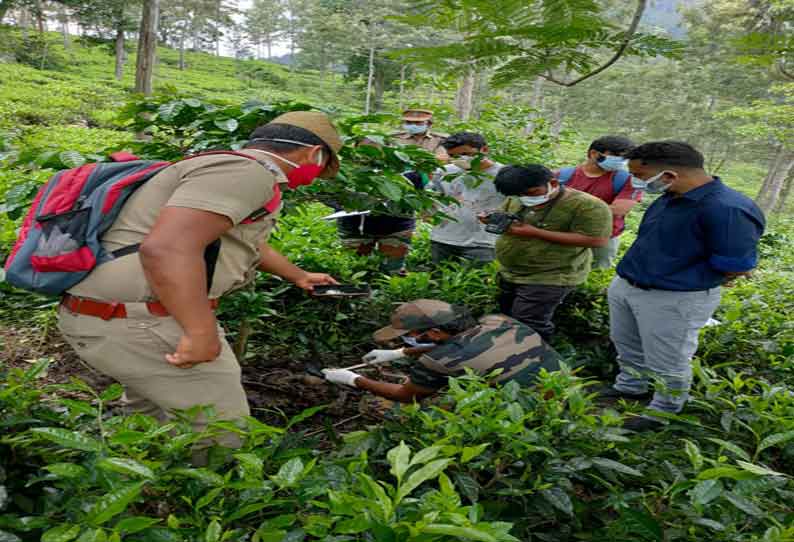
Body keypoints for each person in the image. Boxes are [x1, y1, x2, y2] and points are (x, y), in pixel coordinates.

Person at [57, 112, 343, 450]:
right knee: (221, 432)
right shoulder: (245, 173)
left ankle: (145, 490)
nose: (317, 176)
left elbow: (238, 239)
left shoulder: (222, 167)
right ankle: (202, 501)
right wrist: (199, 331)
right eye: (323, 167)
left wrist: (297, 275)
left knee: (148, 420)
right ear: (313, 154)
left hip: (109, 314)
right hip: (143, 320)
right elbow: (167, 248)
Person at [603, 141, 765, 432]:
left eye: (640, 176)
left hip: (675, 297)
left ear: (669, 174)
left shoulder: (728, 209)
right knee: (627, 344)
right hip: (629, 283)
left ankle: (662, 413)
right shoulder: (671, 195)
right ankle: (630, 387)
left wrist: (686, 284)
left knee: (669, 359)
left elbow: (736, 264)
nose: (637, 182)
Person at [321, 299, 560, 402]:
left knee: (379, 406)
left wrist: (354, 379)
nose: (408, 339)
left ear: (434, 332)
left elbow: (405, 396)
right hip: (567, 386)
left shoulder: (439, 361)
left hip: (531, 408)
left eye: (411, 335)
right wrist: (400, 353)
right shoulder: (498, 321)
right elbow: (463, 344)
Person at [487, 165, 612, 342]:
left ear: (552, 183)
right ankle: (505, 357)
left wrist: (536, 232)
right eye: (518, 195)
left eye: (530, 193)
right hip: (511, 272)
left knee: (528, 323)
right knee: (506, 317)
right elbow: (506, 215)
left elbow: (596, 240)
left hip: (552, 275)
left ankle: (535, 362)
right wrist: (493, 218)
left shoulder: (588, 205)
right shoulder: (517, 197)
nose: (525, 198)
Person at [336, 138, 427, 275]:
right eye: (364, 151)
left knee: (393, 270)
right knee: (354, 269)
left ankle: (392, 293)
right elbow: (332, 197)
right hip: (354, 226)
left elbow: (417, 198)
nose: (369, 155)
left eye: (375, 150)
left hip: (396, 226)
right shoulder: (344, 170)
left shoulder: (407, 172)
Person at [556, 136, 641, 269]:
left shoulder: (629, 180)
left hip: (604, 237)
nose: (621, 161)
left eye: (625, 158)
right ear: (594, 154)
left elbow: (619, 210)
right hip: (565, 234)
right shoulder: (561, 176)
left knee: (596, 275)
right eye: (616, 156)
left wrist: (569, 206)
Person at [429, 132, 505, 265]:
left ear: (484, 150)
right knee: (437, 281)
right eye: (453, 156)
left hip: (484, 243)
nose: (460, 159)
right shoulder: (443, 172)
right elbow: (431, 196)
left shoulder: (503, 175)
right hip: (442, 239)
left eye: (466, 154)